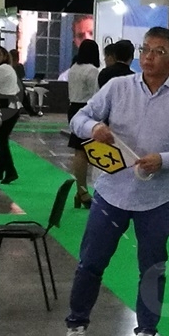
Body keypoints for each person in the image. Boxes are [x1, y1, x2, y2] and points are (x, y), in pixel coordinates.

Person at [62, 27, 169, 336]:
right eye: (145, 49)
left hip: (156, 199)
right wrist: (94, 128)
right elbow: (79, 118)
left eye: (158, 51)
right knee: (90, 263)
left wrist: (164, 160)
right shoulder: (118, 88)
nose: (148, 56)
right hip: (111, 193)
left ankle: (146, 334)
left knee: (153, 269)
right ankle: (76, 327)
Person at [66, 38, 103, 208]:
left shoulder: (73, 68)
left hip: (73, 108)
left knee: (79, 151)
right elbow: (97, 94)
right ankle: (82, 192)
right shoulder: (92, 70)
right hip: (87, 110)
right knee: (86, 152)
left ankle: (80, 191)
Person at [0, 46, 23, 185]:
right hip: (11, 106)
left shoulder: (1, 69)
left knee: (2, 141)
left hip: (4, 107)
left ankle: (11, 172)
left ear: (5, 56)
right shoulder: (8, 68)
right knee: (1, 139)